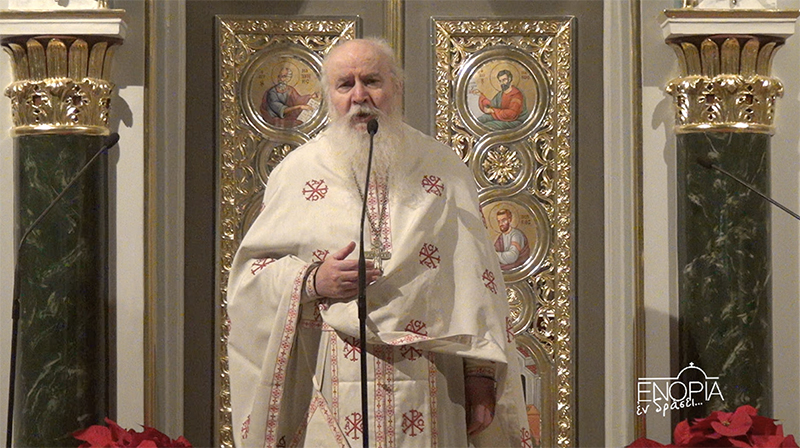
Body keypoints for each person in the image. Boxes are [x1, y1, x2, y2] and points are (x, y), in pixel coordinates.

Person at [228, 38, 531, 447]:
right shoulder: (297, 172)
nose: (359, 96)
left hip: (429, 380)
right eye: (345, 84)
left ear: (397, 88)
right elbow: (250, 279)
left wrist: (480, 378)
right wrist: (314, 280)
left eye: (372, 81)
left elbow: (476, 282)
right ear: (328, 96)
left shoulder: (443, 167)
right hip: (331, 383)